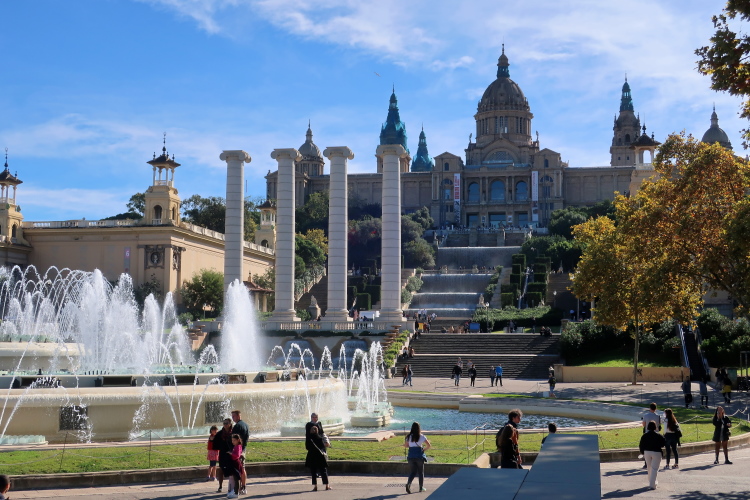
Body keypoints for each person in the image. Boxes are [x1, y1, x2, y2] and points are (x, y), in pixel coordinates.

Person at [404, 421, 431, 493]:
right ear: (419, 428)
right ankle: (421, 487)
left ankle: (408, 484)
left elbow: (406, 445)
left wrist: (408, 445)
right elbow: (429, 445)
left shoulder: (409, 436)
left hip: (411, 456)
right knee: (420, 472)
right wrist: (424, 449)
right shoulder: (422, 436)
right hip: (419, 456)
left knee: (413, 472)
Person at [639, 421, 666, 490]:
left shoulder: (644, 436)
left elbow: (641, 445)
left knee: (649, 467)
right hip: (656, 452)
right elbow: (663, 444)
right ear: (655, 427)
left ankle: (651, 481)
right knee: (654, 468)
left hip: (647, 452)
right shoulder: (659, 436)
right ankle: (652, 484)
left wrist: (643, 452)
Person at [306, 425, 331, 491]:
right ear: (317, 431)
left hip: (311, 456)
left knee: (313, 472)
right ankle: (327, 485)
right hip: (320, 456)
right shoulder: (320, 438)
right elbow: (323, 447)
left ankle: (315, 486)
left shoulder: (309, 439)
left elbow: (307, 447)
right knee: (323, 471)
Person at [231, 410, 249, 494]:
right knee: (242, 469)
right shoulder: (246, 425)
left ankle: (239, 488)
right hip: (243, 449)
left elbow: (233, 439)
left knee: (239, 469)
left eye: (234, 416)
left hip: (237, 450)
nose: (232, 418)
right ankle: (243, 487)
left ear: (238, 416)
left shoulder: (237, 426)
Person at [215, 418, 234, 494]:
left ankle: (232, 487)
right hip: (223, 453)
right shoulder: (220, 433)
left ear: (230, 424)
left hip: (231, 454)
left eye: (227, 423)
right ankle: (220, 486)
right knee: (221, 469)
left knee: (232, 470)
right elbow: (215, 444)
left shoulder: (233, 433)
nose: (225, 425)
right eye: (224, 423)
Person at [641, 403, 660, 469]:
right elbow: (659, 424)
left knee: (647, 448)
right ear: (655, 408)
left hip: (648, 433)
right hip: (656, 433)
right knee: (654, 448)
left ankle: (646, 463)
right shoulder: (658, 416)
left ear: (650, 408)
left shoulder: (646, 415)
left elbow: (644, 424)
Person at [225, 434, 243, 498]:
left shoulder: (238, 446)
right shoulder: (236, 446)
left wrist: (231, 453)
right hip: (234, 462)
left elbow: (237, 455)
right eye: (232, 440)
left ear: (238, 440)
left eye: (234, 440)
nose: (233, 442)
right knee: (235, 478)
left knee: (236, 478)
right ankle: (235, 491)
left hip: (236, 463)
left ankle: (236, 493)